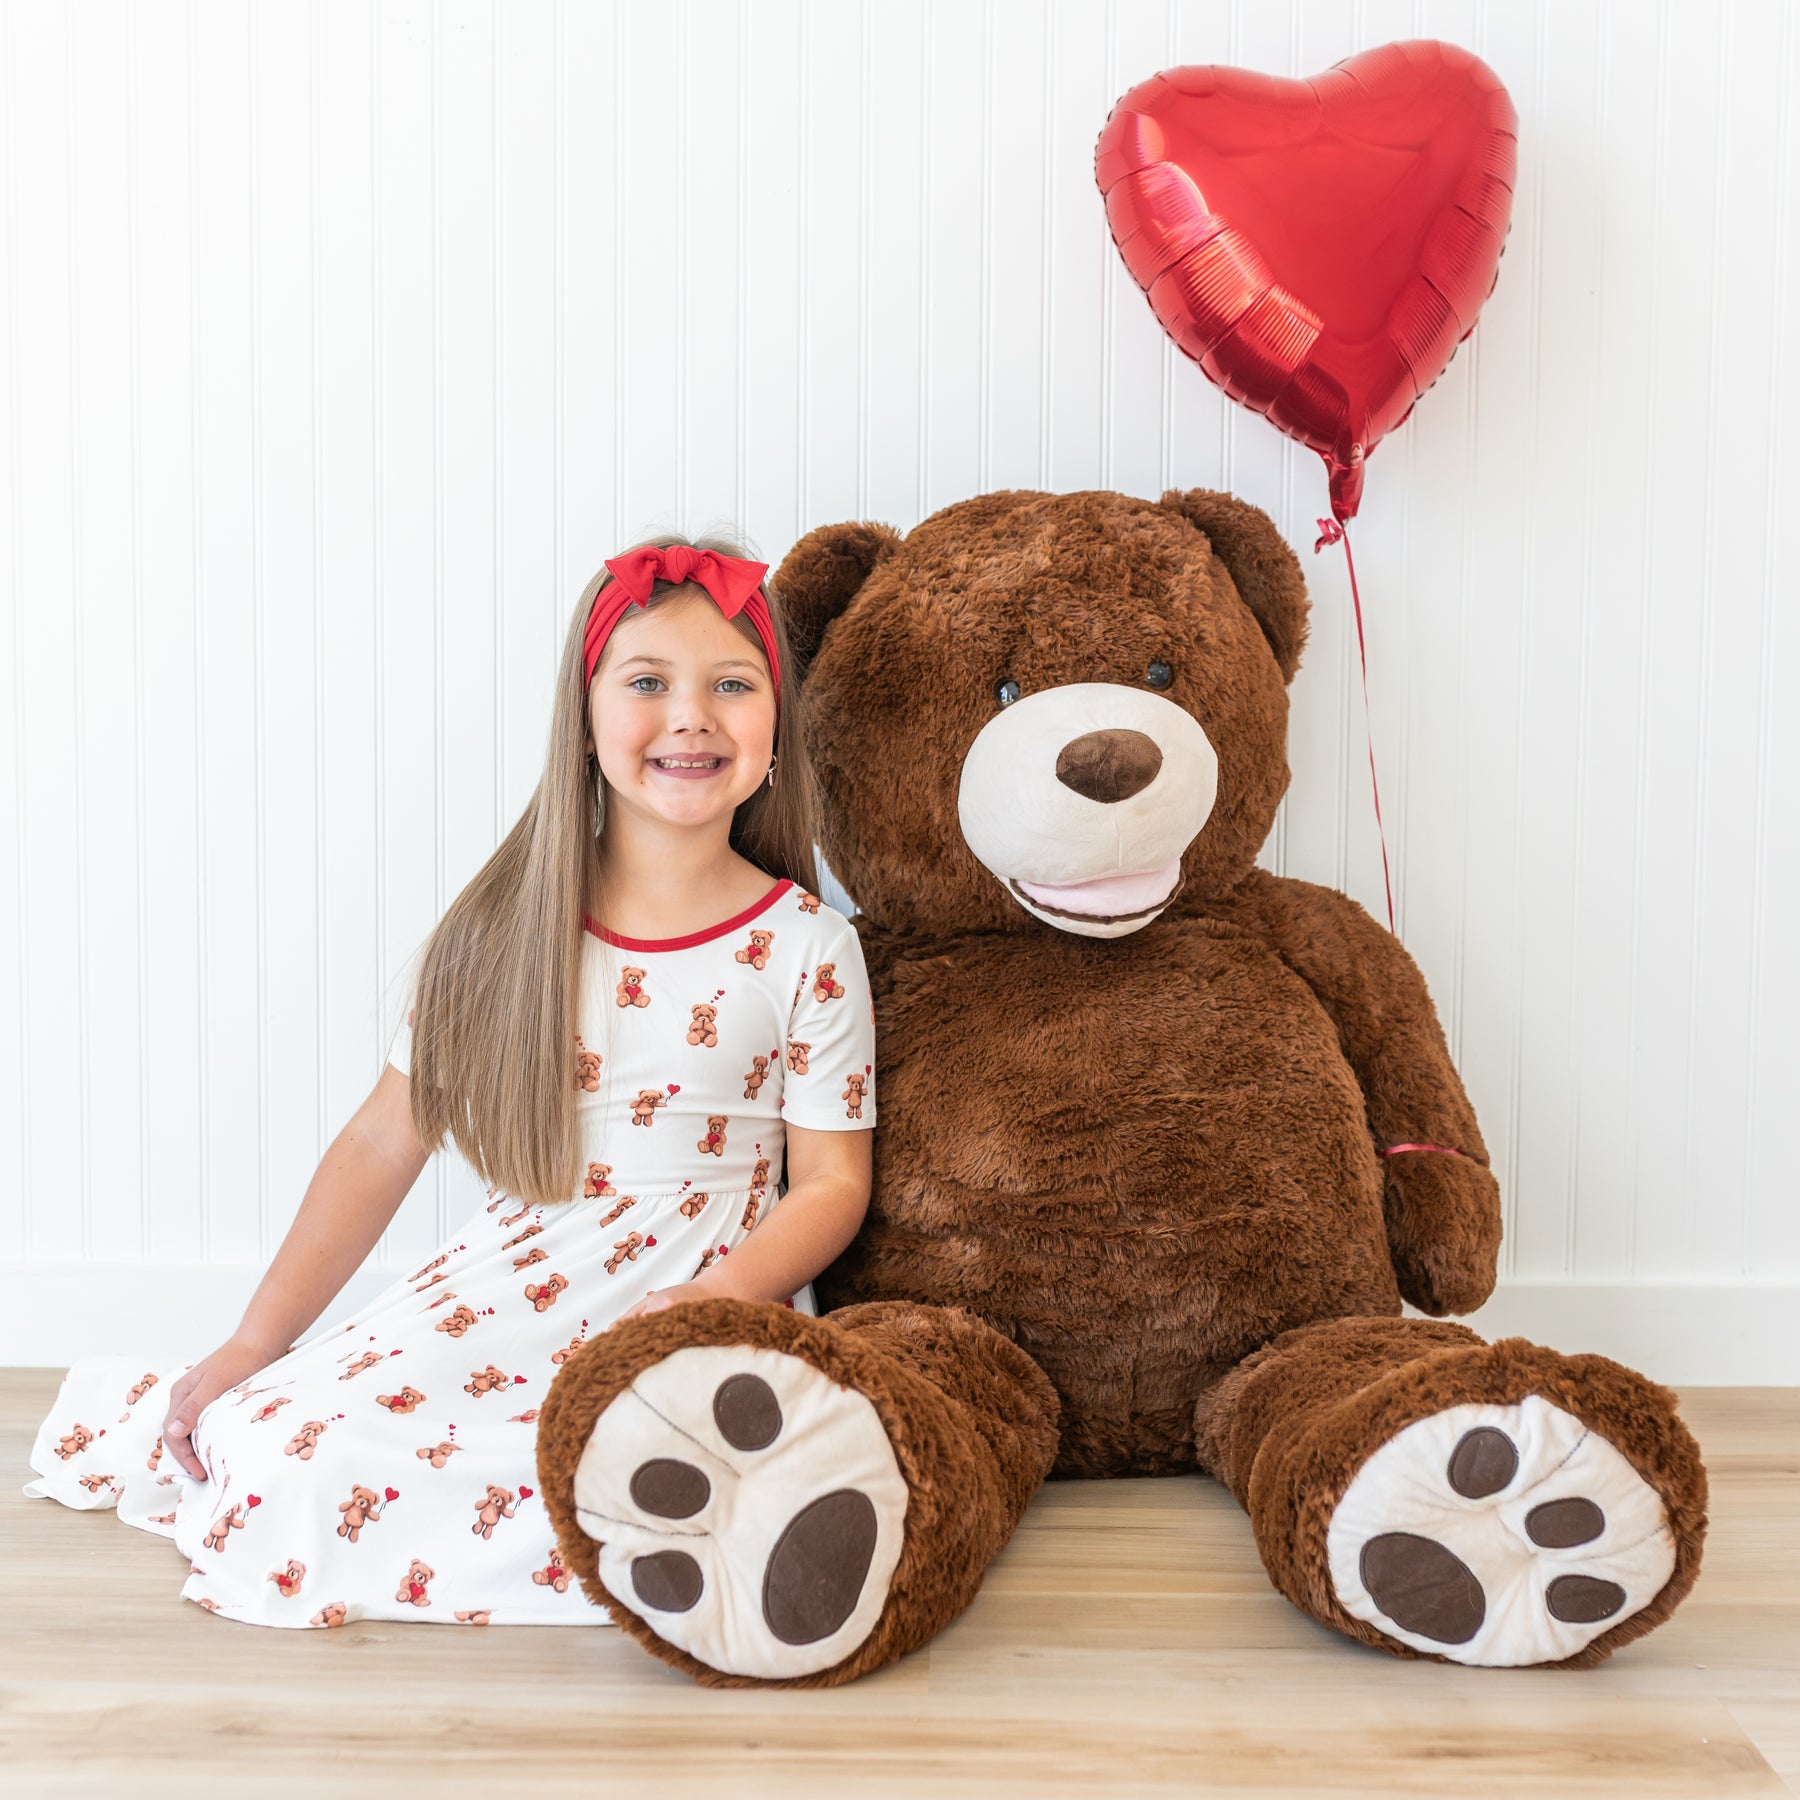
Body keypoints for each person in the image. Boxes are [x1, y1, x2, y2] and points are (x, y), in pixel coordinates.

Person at [23, 534, 877, 1629]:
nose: (691, 717)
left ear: (776, 725)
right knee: (288, 1448)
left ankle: (687, 1533)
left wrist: (722, 1294)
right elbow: (384, 1143)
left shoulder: (808, 945)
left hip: (703, 1292)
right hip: (515, 1289)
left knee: (664, 1455)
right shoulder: (502, 935)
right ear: (583, 721)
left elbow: (831, 1185)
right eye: (647, 683)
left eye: (732, 685)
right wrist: (253, 1342)